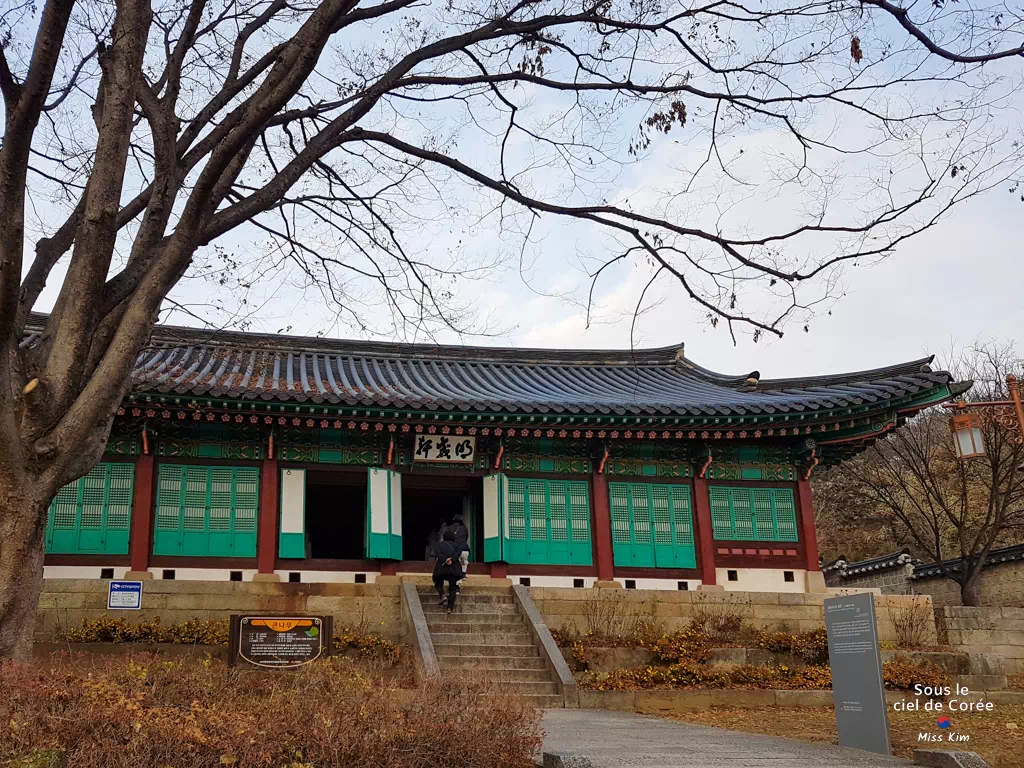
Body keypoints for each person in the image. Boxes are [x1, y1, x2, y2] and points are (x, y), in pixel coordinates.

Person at [432, 527, 462, 613]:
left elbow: (438, 554)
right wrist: (452, 559)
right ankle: (450, 608)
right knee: (452, 588)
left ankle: (442, 595)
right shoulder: (458, 545)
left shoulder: (439, 545)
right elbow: (458, 554)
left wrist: (445, 560)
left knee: (438, 582)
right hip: (453, 568)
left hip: (442, 567)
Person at [447, 514, 470, 585]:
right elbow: (466, 538)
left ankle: (457, 587)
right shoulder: (464, 528)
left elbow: (448, 539)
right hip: (465, 549)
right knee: (464, 562)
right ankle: (464, 575)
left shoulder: (449, 528)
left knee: (456, 565)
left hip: (455, 550)